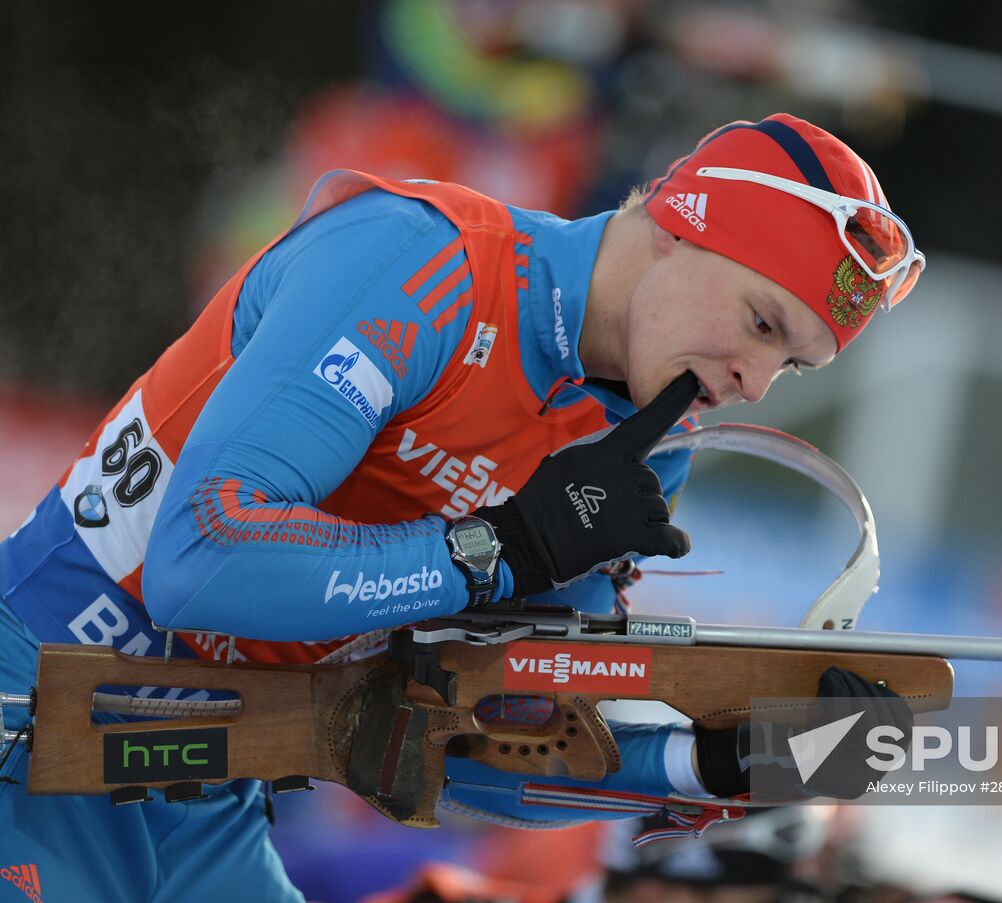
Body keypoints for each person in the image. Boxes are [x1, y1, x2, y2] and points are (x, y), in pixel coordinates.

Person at [0, 113, 923, 902]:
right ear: (682, 227)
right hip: (39, 701)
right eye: (762, 323)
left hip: (202, 776)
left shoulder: (647, 448)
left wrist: (719, 765)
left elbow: (477, 748)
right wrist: (498, 548)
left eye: (792, 363)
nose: (756, 381)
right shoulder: (420, 261)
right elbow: (200, 559)